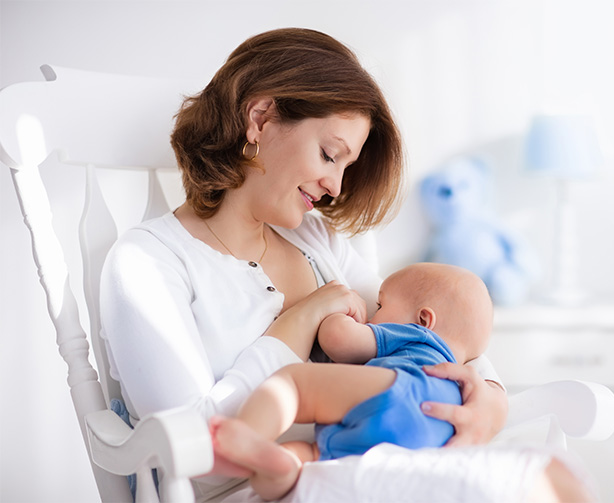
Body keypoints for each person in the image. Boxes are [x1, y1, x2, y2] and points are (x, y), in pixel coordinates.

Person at [99, 28, 508, 497]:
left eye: (345, 167)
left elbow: (429, 326)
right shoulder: (148, 262)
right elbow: (193, 457)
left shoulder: (317, 240)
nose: (335, 185)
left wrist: (491, 399)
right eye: (329, 154)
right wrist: (297, 322)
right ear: (260, 117)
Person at [210, 262, 494, 500]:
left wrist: (339, 317)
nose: (372, 314)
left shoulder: (416, 336)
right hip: (434, 438)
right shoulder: (459, 379)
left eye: (380, 305)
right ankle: (284, 465)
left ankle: (246, 436)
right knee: (313, 458)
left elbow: (338, 340)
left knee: (294, 384)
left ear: (423, 319)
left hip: (403, 391)